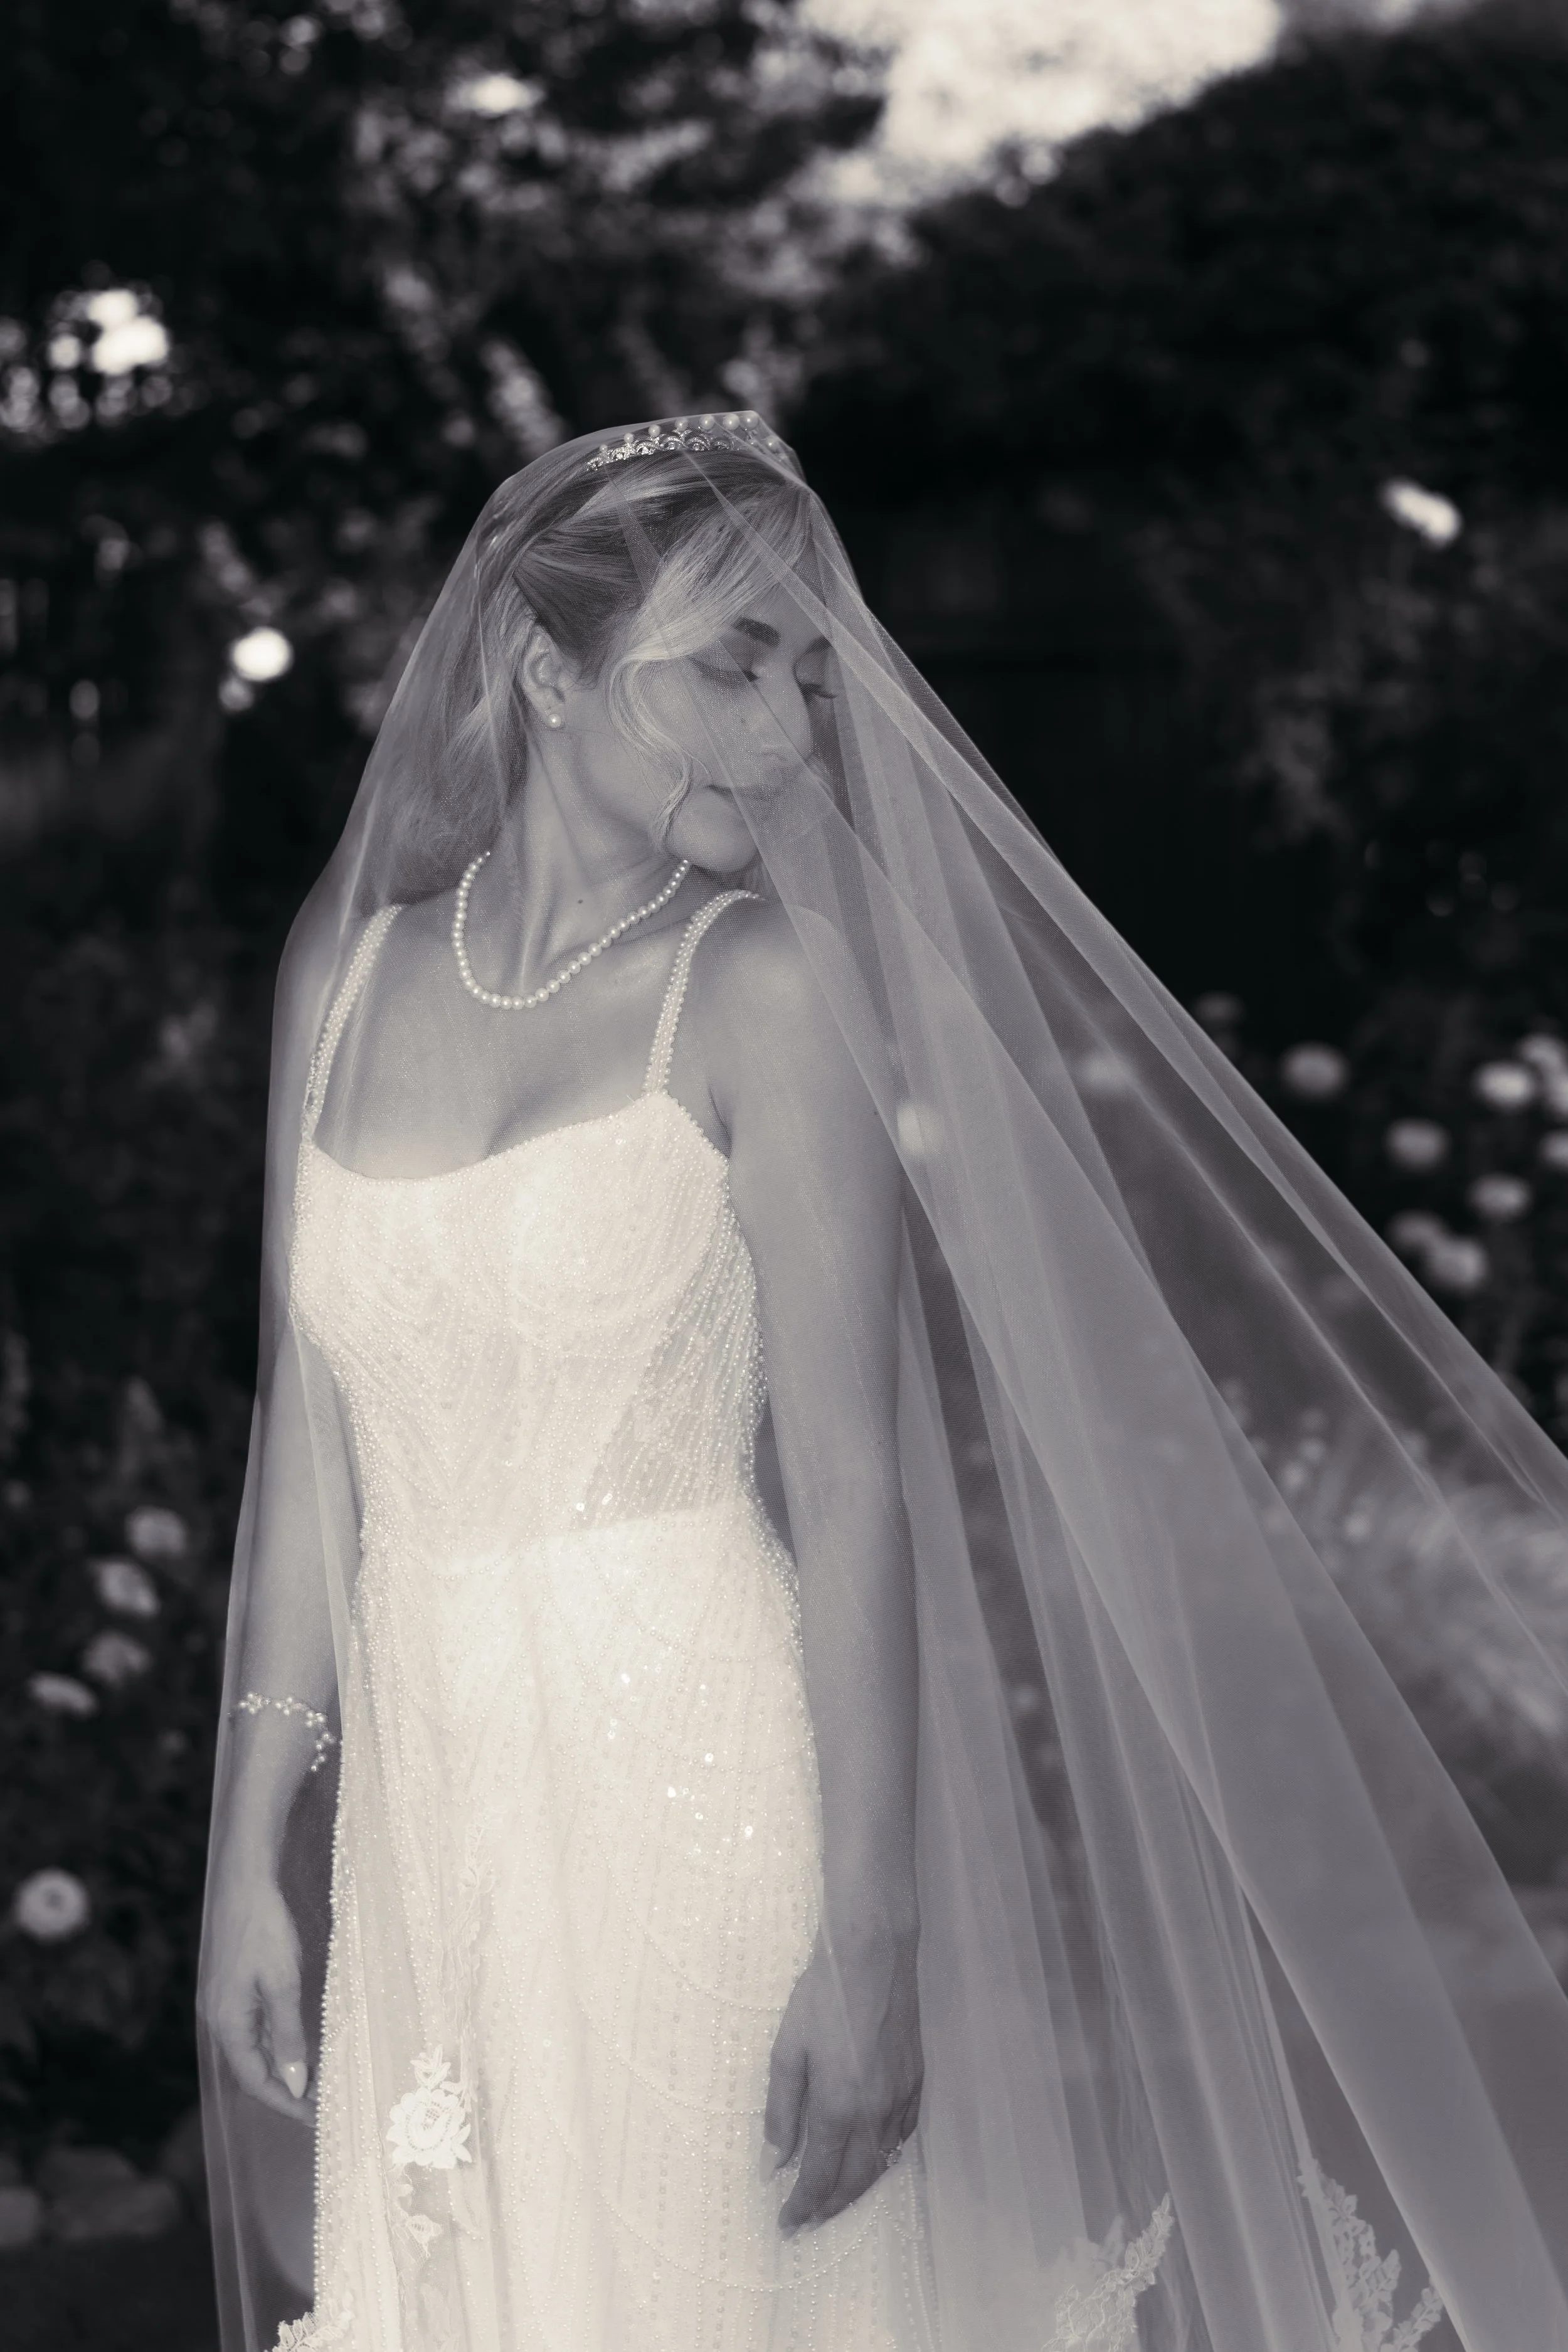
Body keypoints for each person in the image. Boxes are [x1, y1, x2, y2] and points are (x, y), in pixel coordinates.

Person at [199, 414, 1568, 2352]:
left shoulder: (754, 982)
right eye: (722, 666)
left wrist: (874, 1940)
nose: (782, 729)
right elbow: (309, 1439)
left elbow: (850, 1492)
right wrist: (246, 1853)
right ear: (543, 670)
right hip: (427, 1816)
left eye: (804, 673)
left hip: (700, 1789)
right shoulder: (338, 966)